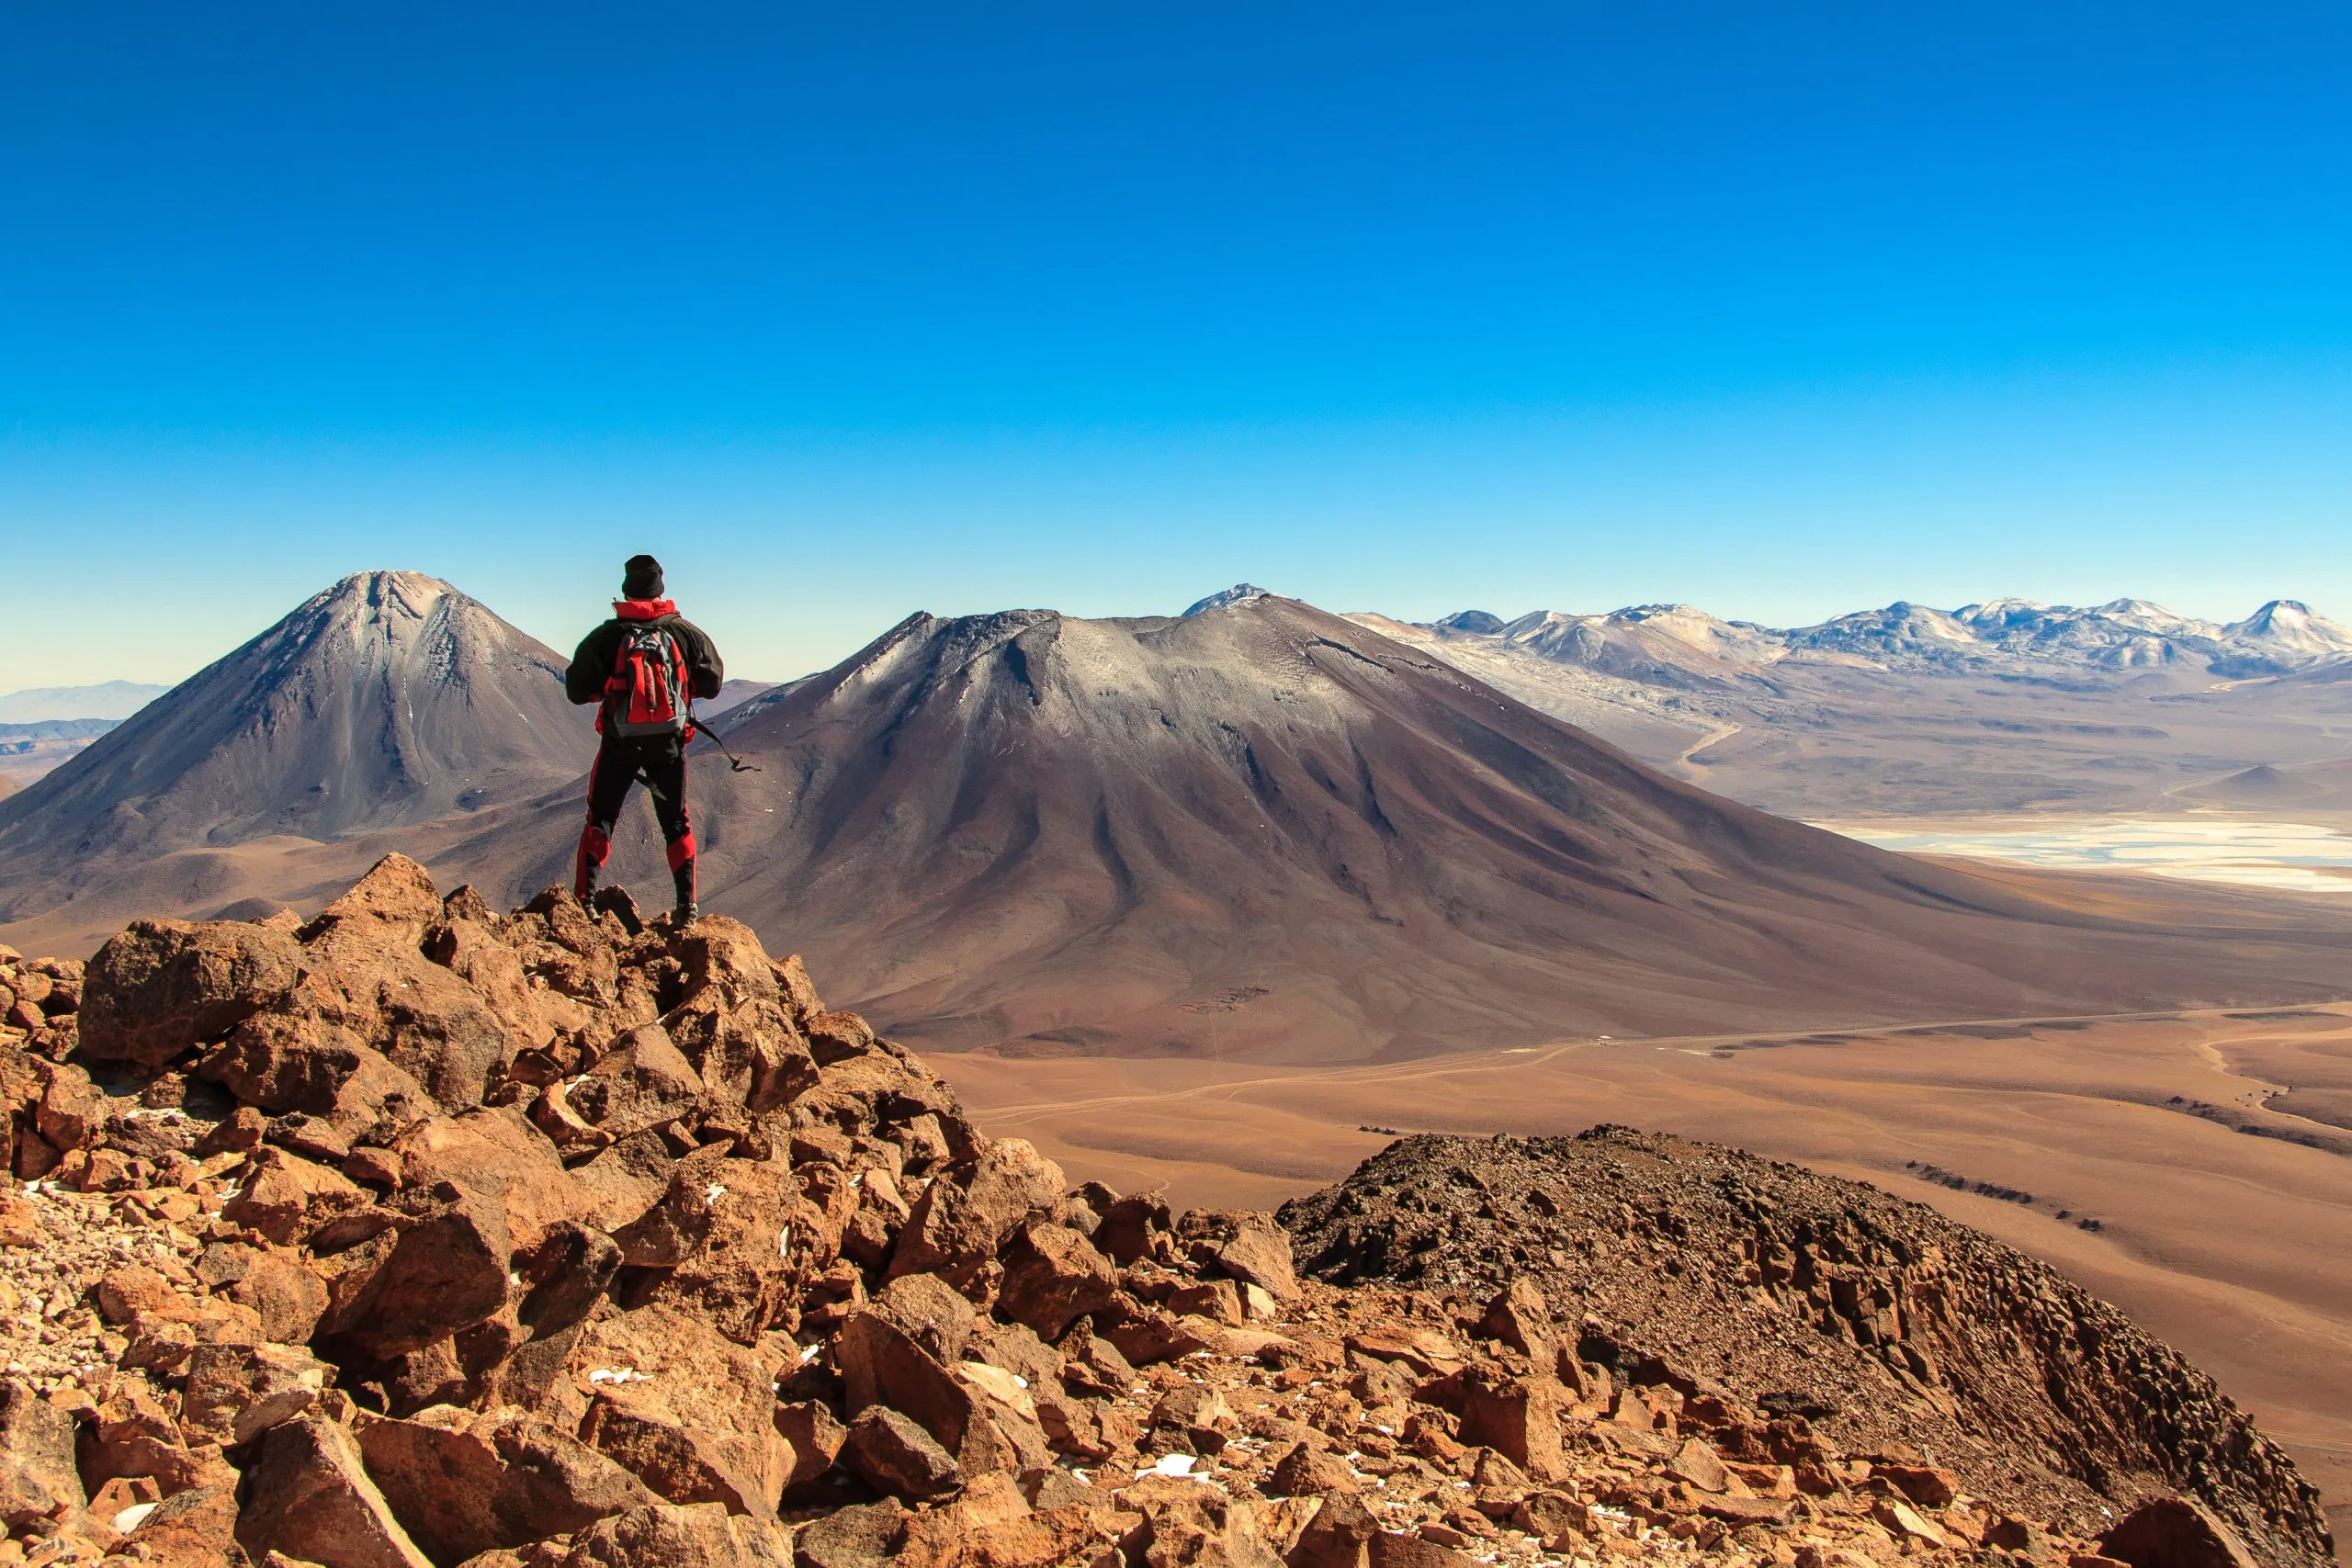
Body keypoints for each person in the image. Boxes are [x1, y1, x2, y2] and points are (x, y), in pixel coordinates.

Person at [565, 554, 724, 924]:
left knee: (601, 818)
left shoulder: (606, 636)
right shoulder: (685, 634)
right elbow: (713, 684)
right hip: (667, 746)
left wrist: (611, 690)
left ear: (626, 588)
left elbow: (576, 690)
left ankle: (584, 902)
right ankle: (687, 909)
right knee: (676, 823)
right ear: (660, 588)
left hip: (619, 743)